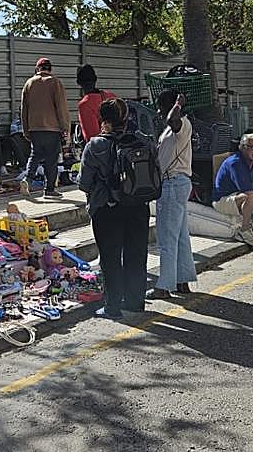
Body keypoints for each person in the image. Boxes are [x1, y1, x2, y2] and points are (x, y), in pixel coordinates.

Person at [78, 97, 150, 320]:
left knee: (110, 257)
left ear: (103, 120)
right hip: (138, 205)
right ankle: (135, 301)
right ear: (126, 118)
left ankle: (112, 306)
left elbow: (84, 183)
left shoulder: (96, 145)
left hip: (107, 208)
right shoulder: (143, 141)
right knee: (136, 254)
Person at [149, 89, 195, 300]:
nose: (158, 111)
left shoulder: (181, 124)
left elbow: (171, 119)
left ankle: (164, 286)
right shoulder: (172, 130)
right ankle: (182, 281)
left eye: (160, 106)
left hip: (172, 184)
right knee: (180, 236)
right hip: (176, 184)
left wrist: (178, 104)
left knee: (167, 237)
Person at [20, 57, 71, 197]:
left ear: (37, 69)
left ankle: (27, 180)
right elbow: (61, 107)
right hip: (52, 129)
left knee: (35, 155)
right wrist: (65, 128)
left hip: (34, 128)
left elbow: (23, 110)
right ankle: (49, 190)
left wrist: (26, 130)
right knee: (51, 160)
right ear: (50, 69)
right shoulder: (55, 82)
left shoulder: (28, 84)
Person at [76, 64, 116, 143]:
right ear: (95, 79)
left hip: (101, 149)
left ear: (78, 82)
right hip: (118, 147)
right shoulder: (111, 96)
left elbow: (91, 138)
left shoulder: (85, 104)